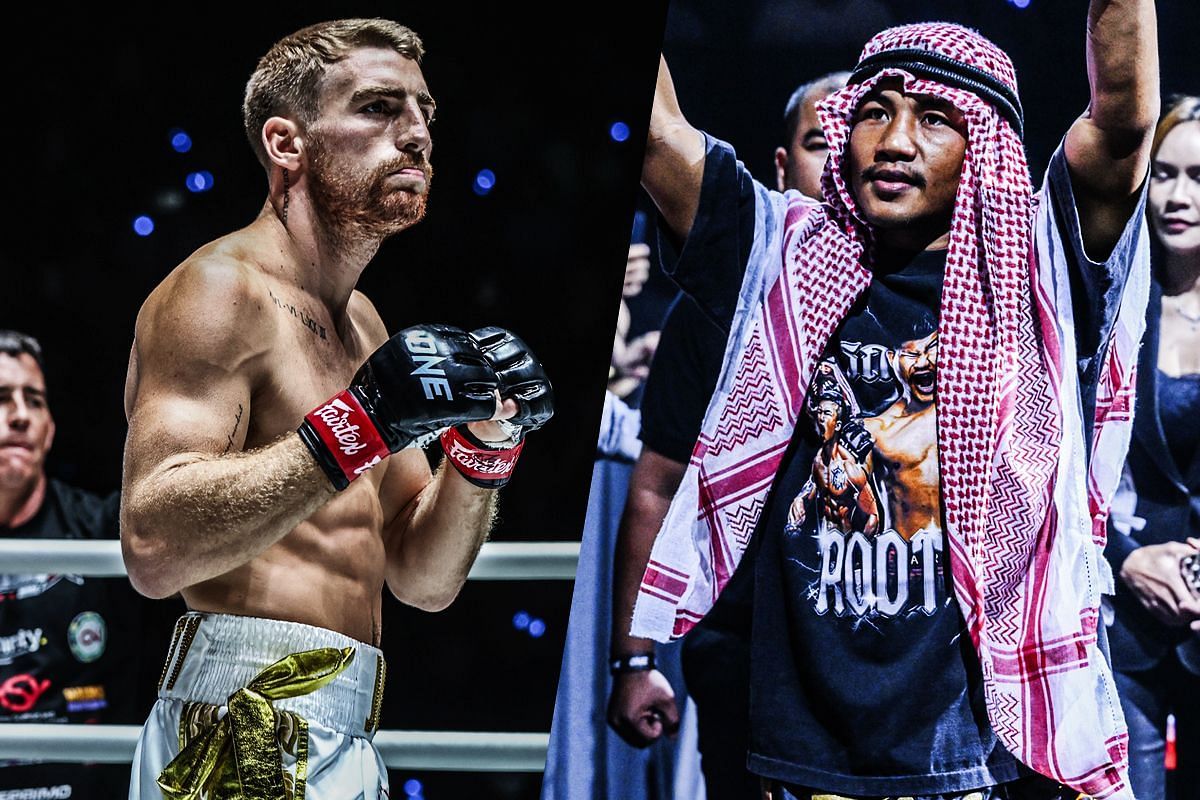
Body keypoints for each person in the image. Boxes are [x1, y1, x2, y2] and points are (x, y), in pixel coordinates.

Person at [630, 4, 1156, 800]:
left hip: (974, 751)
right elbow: (660, 133)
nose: (894, 140)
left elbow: (1121, 119)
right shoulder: (779, 254)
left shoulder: (1037, 275)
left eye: (934, 118)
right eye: (874, 111)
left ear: (985, 148)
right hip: (799, 751)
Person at [120, 19, 553, 799]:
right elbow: (153, 545)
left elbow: (423, 577)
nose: (416, 133)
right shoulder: (222, 291)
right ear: (287, 144)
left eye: (424, 111)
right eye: (379, 108)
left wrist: (488, 443)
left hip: (348, 720)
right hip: (241, 721)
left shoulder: (365, 325)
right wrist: (355, 428)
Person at [606, 72, 848, 799]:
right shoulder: (722, 301)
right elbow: (656, 484)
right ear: (781, 166)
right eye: (815, 142)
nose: (836, 159)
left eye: (851, 140)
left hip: (888, 655)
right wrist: (631, 659)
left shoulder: (933, 289)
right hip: (746, 653)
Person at [0, 330, 142, 798]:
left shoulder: (102, 528)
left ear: (50, 429)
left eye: (34, 401)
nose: (20, 415)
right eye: (2, 398)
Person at [1106, 93, 1200, 800]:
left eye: (1199, 178)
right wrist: (1126, 556)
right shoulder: (1114, 306)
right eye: (1164, 174)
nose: (1178, 195)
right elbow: (1065, 458)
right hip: (1125, 614)